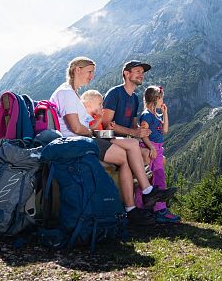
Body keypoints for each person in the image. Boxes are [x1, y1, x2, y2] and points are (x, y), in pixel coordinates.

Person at [50, 56, 176, 226]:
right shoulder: (66, 93)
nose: (92, 76)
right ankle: (143, 197)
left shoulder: (73, 94)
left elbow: (90, 125)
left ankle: (138, 202)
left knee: (130, 149)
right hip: (82, 139)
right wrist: (98, 132)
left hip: (91, 135)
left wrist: (102, 128)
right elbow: (77, 128)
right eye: (90, 72)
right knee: (128, 150)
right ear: (77, 70)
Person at [134, 85, 180, 223]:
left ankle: (151, 208)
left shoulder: (157, 115)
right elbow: (143, 135)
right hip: (151, 149)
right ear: (155, 99)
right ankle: (158, 210)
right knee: (152, 177)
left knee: (154, 176)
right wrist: (151, 148)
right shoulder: (146, 115)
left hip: (158, 149)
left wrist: (165, 113)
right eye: (161, 98)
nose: (163, 101)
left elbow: (164, 130)